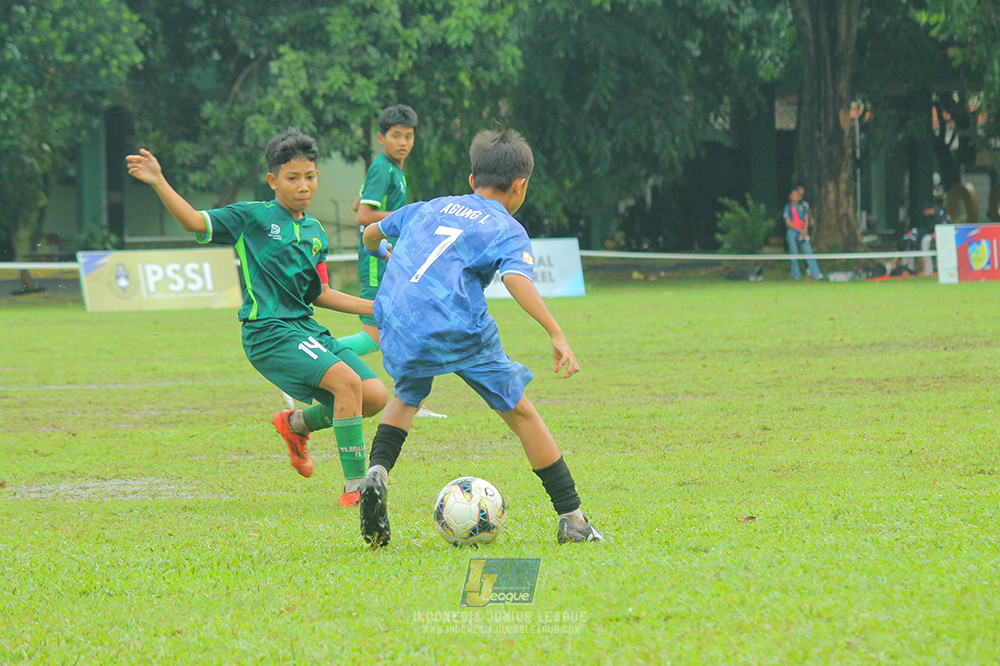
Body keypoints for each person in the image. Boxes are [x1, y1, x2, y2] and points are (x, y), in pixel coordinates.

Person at [356, 127, 605, 547]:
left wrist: (385, 253)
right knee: (522, 413)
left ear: (473, 180)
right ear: (521, 185)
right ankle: (574, 521)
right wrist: (556, 332)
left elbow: (369, 236)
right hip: (457, 326)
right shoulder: (506, 227)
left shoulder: (429, 206)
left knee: (407, 395)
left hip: (398, 318)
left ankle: (377, 472)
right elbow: (515, 279)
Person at [126, 129, 387, 508]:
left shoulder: (315, 232)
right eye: (292, 178)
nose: (303, 186)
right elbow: (194, 222)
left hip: (304, 328)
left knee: (375, 396)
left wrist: (378, 309)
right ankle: (356, 490)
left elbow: (320, 293)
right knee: (348, 384)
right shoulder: (253, 217)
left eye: (310, 177)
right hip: (268, 332)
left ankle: (295, 425)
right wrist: (158, 180)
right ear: (273, 180)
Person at [339, 103, 445, 418]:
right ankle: (311, 357)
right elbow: (363, 215)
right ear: (380, 138)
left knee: (406, 324)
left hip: (389, 256)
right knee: (374, 335)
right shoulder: (382, 168)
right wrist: (409, 215)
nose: (403, 142)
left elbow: (360, 201)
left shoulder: (391, 170)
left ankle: (410, 400)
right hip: (375, 258)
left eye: (408, 136)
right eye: (396, 136)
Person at [783, 185, 825, 281]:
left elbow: (806, 219)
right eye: (793, 195)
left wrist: (804, 230)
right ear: (790, 196)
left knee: (808, 252)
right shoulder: (787, 208)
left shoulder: (803, 207)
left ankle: (817, 274)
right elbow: (788, 222)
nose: (795, 197)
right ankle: (796, 276)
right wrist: (799, 230)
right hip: (793, 232)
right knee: (793, 254)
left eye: (797, 195)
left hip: (802, 232)